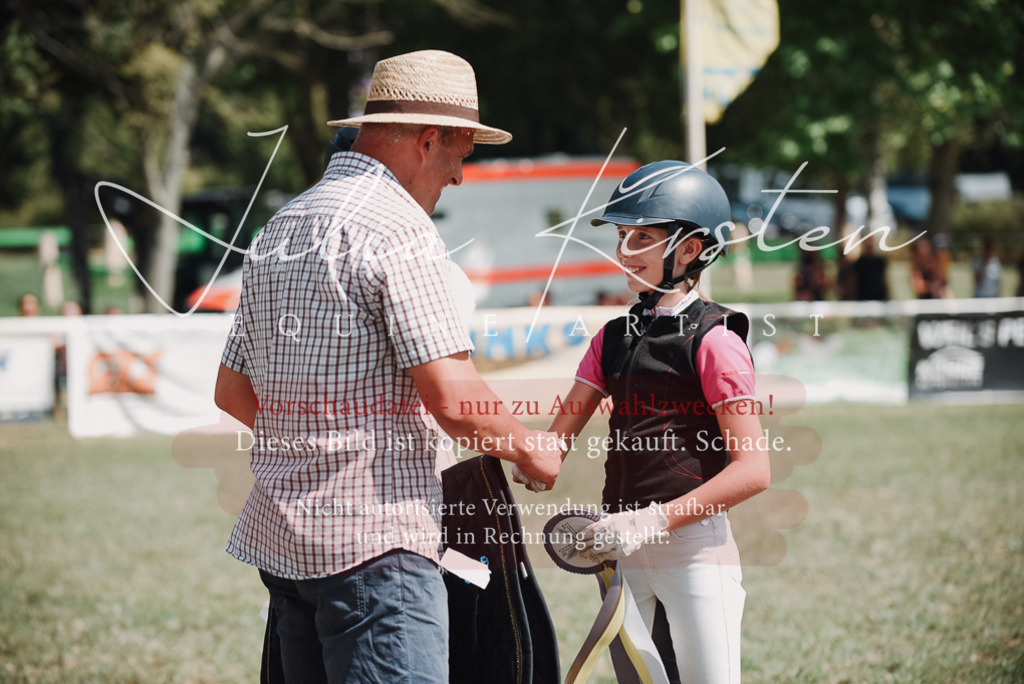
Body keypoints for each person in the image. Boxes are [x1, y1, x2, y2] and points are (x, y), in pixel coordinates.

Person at [213, 50, 565, 684]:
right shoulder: (400, 230)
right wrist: (528, 448)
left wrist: (316, 446)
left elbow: (232, 392)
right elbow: (454, 399)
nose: (459, 177)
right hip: (378, 550)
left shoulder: (279, 228)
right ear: (428, 141)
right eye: (460, 155)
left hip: (286, 541)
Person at [520, 162, 770, 683]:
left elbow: (753, 471)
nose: (623, 250)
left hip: (694, 550)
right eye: (621, 236)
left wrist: (649, 521)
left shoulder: (717, 340)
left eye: (642, 238)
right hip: (622, 551)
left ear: (689, 249)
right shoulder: (611, 338)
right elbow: (552, 446)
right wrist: (522, 458)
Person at [852, 236, 889, 300]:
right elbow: (855, 280)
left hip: (878, 296)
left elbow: (884, 278)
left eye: (871, 240)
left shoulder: (880, 260)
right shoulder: (860, 262)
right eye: (867, 240)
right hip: (863, 296)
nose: (869, 243)